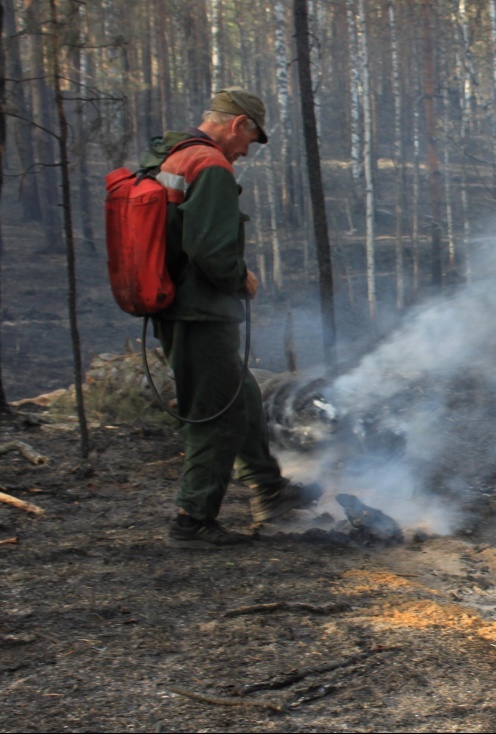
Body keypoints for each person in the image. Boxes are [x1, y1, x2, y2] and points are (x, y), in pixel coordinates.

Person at [142, 86, 320, 549]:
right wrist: (242, 279)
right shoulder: (211, 166)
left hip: (176, 305)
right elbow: (210, 250)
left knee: (240, 396)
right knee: (215, 414)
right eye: (250, 139)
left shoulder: (174, 155)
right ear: (238, 124)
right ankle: (192, 521)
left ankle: (271, 491)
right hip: (199, 311)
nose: (246, 151)